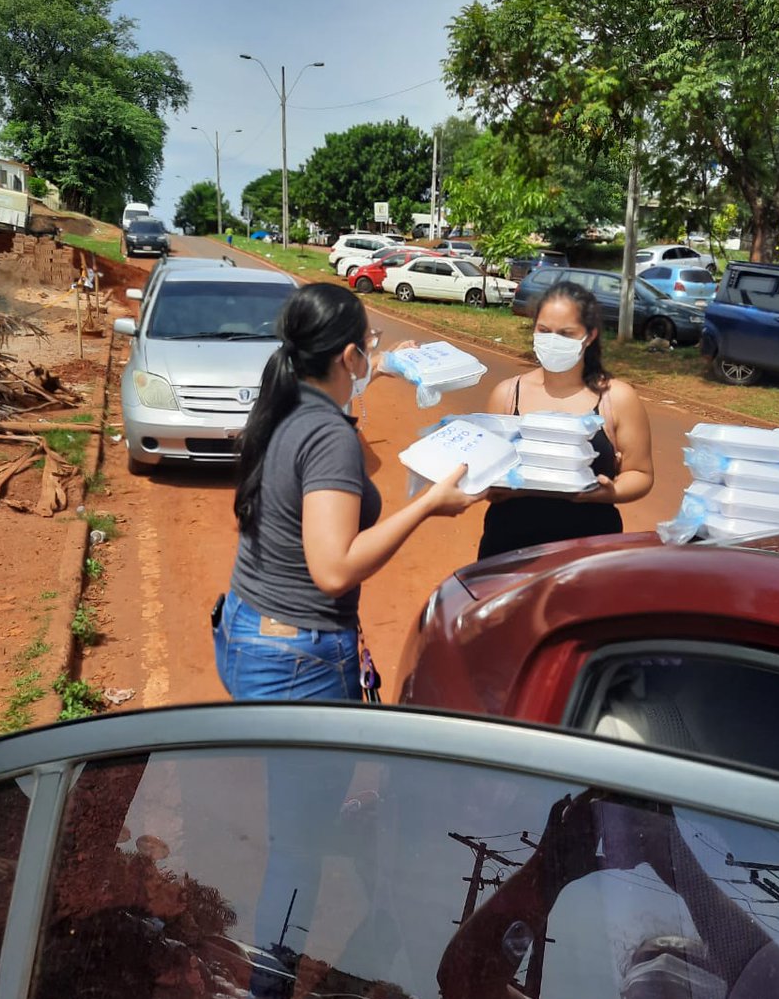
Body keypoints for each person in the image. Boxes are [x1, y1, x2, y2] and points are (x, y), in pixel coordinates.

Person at [438, 790, 779, 999]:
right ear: (627, 996)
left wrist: (677, 863)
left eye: (683, 958)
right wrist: (548, 871)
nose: (662, 963)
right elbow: (465, 985)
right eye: (648, 958)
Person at [215, 282, 482, 702]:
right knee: (313, 772)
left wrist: (382, 365)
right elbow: (334, 572)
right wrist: (428, 504)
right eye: (368, 342)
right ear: (347, 356)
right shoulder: (327, 435)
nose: (371, 349)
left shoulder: (281, 401)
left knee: (282, 767)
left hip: (245, 627)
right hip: (295, 657)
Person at [477, 283, 653, 560]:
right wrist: (490, 488)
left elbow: (641, 474)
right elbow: (486, 472)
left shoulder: (616, 398)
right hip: (509, 546)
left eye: (566, 334)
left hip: (589, 551)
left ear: (590, 336)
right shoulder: (507, 394)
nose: (552, 340)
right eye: (544, 331)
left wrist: (609, 492)